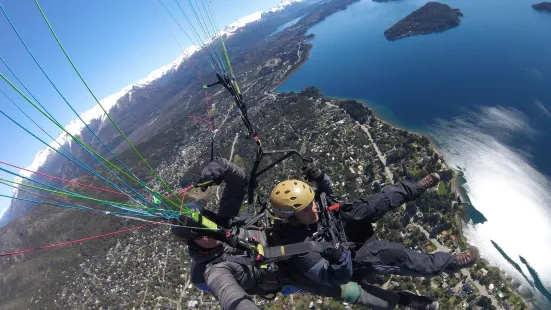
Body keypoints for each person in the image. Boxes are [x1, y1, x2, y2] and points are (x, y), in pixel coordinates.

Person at [171, 157, 439, 310]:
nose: (214, 230)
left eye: (208, 222)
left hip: (288, 236)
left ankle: (410, 193)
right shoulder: (214, 271)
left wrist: (220, 168)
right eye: (203, 231)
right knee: (351, 291)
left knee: (356, 222)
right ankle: (402, 300)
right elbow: (232, 298)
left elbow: (238, 180)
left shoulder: (224, 223)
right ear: (192, 242)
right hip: (289, 273)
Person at [269, 164, 479, 284]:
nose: (314, 207)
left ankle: (415, 187)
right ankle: (450, 263)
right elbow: (336, 278)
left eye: (311, 201)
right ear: (291, 217)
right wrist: (339, 256)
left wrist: (322, 179)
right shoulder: (300, 250)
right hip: (351, 254)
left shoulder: (312, 207)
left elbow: (326, 197)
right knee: (395, 254)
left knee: (373, 203)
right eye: (306, 208)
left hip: (340, 226)